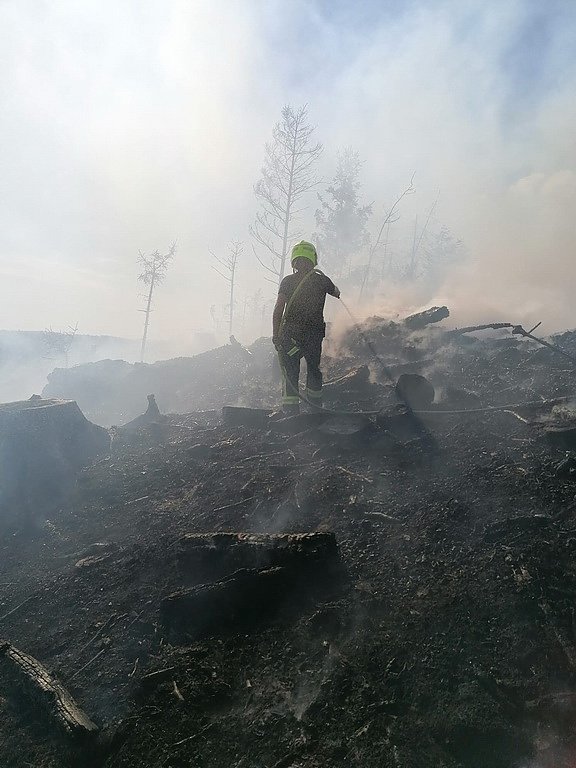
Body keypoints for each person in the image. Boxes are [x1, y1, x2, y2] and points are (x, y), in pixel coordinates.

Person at [272, 241, 340, 414]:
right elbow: (337, 292)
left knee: (291, 370)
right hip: (313, 336)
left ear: (294, 260)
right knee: (313, 369)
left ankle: (290, 412)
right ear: (313, 259)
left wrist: (276, 334)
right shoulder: (322, 280)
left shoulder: (288, 281)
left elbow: (278, 309)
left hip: (290, 337)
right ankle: (315, 409)